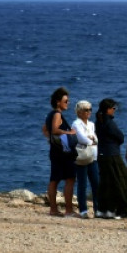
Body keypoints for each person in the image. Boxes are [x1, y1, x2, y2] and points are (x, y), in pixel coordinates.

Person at [95, 97, 127, 219]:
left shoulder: (98, 121)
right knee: (120, 181)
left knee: (106, 183)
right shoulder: (109, 123)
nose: (114, 110)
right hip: (112, 155)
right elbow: (120, 137)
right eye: (113, 108)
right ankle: (122, 210)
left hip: (101, 154)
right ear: (108, 109)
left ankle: (105, 209)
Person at [41, 87, 77, 217]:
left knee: (54, 179)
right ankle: (68, 210)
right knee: (70, 179)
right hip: (63, 153)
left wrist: (51, 139)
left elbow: (45, 129)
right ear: (58, 102)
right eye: (66, 101)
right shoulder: (57, 114)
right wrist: (70, 133)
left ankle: (53, 209)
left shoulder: (50, 114)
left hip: (55, 151)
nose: (68, 103)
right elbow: (55, 129)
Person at [72, 100, 100, 218]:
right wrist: (90, 140)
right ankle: (83, 210)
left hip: (93, 157)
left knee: (96, 183)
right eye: (86, 110)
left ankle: (98, 209)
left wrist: (91, 140)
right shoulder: (76, 124)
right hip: (82, 157)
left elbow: (95, 139)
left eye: (90, 109)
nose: (89, 112)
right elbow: (82, 138)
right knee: (82, 184)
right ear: (79, 112)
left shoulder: (91, 124)